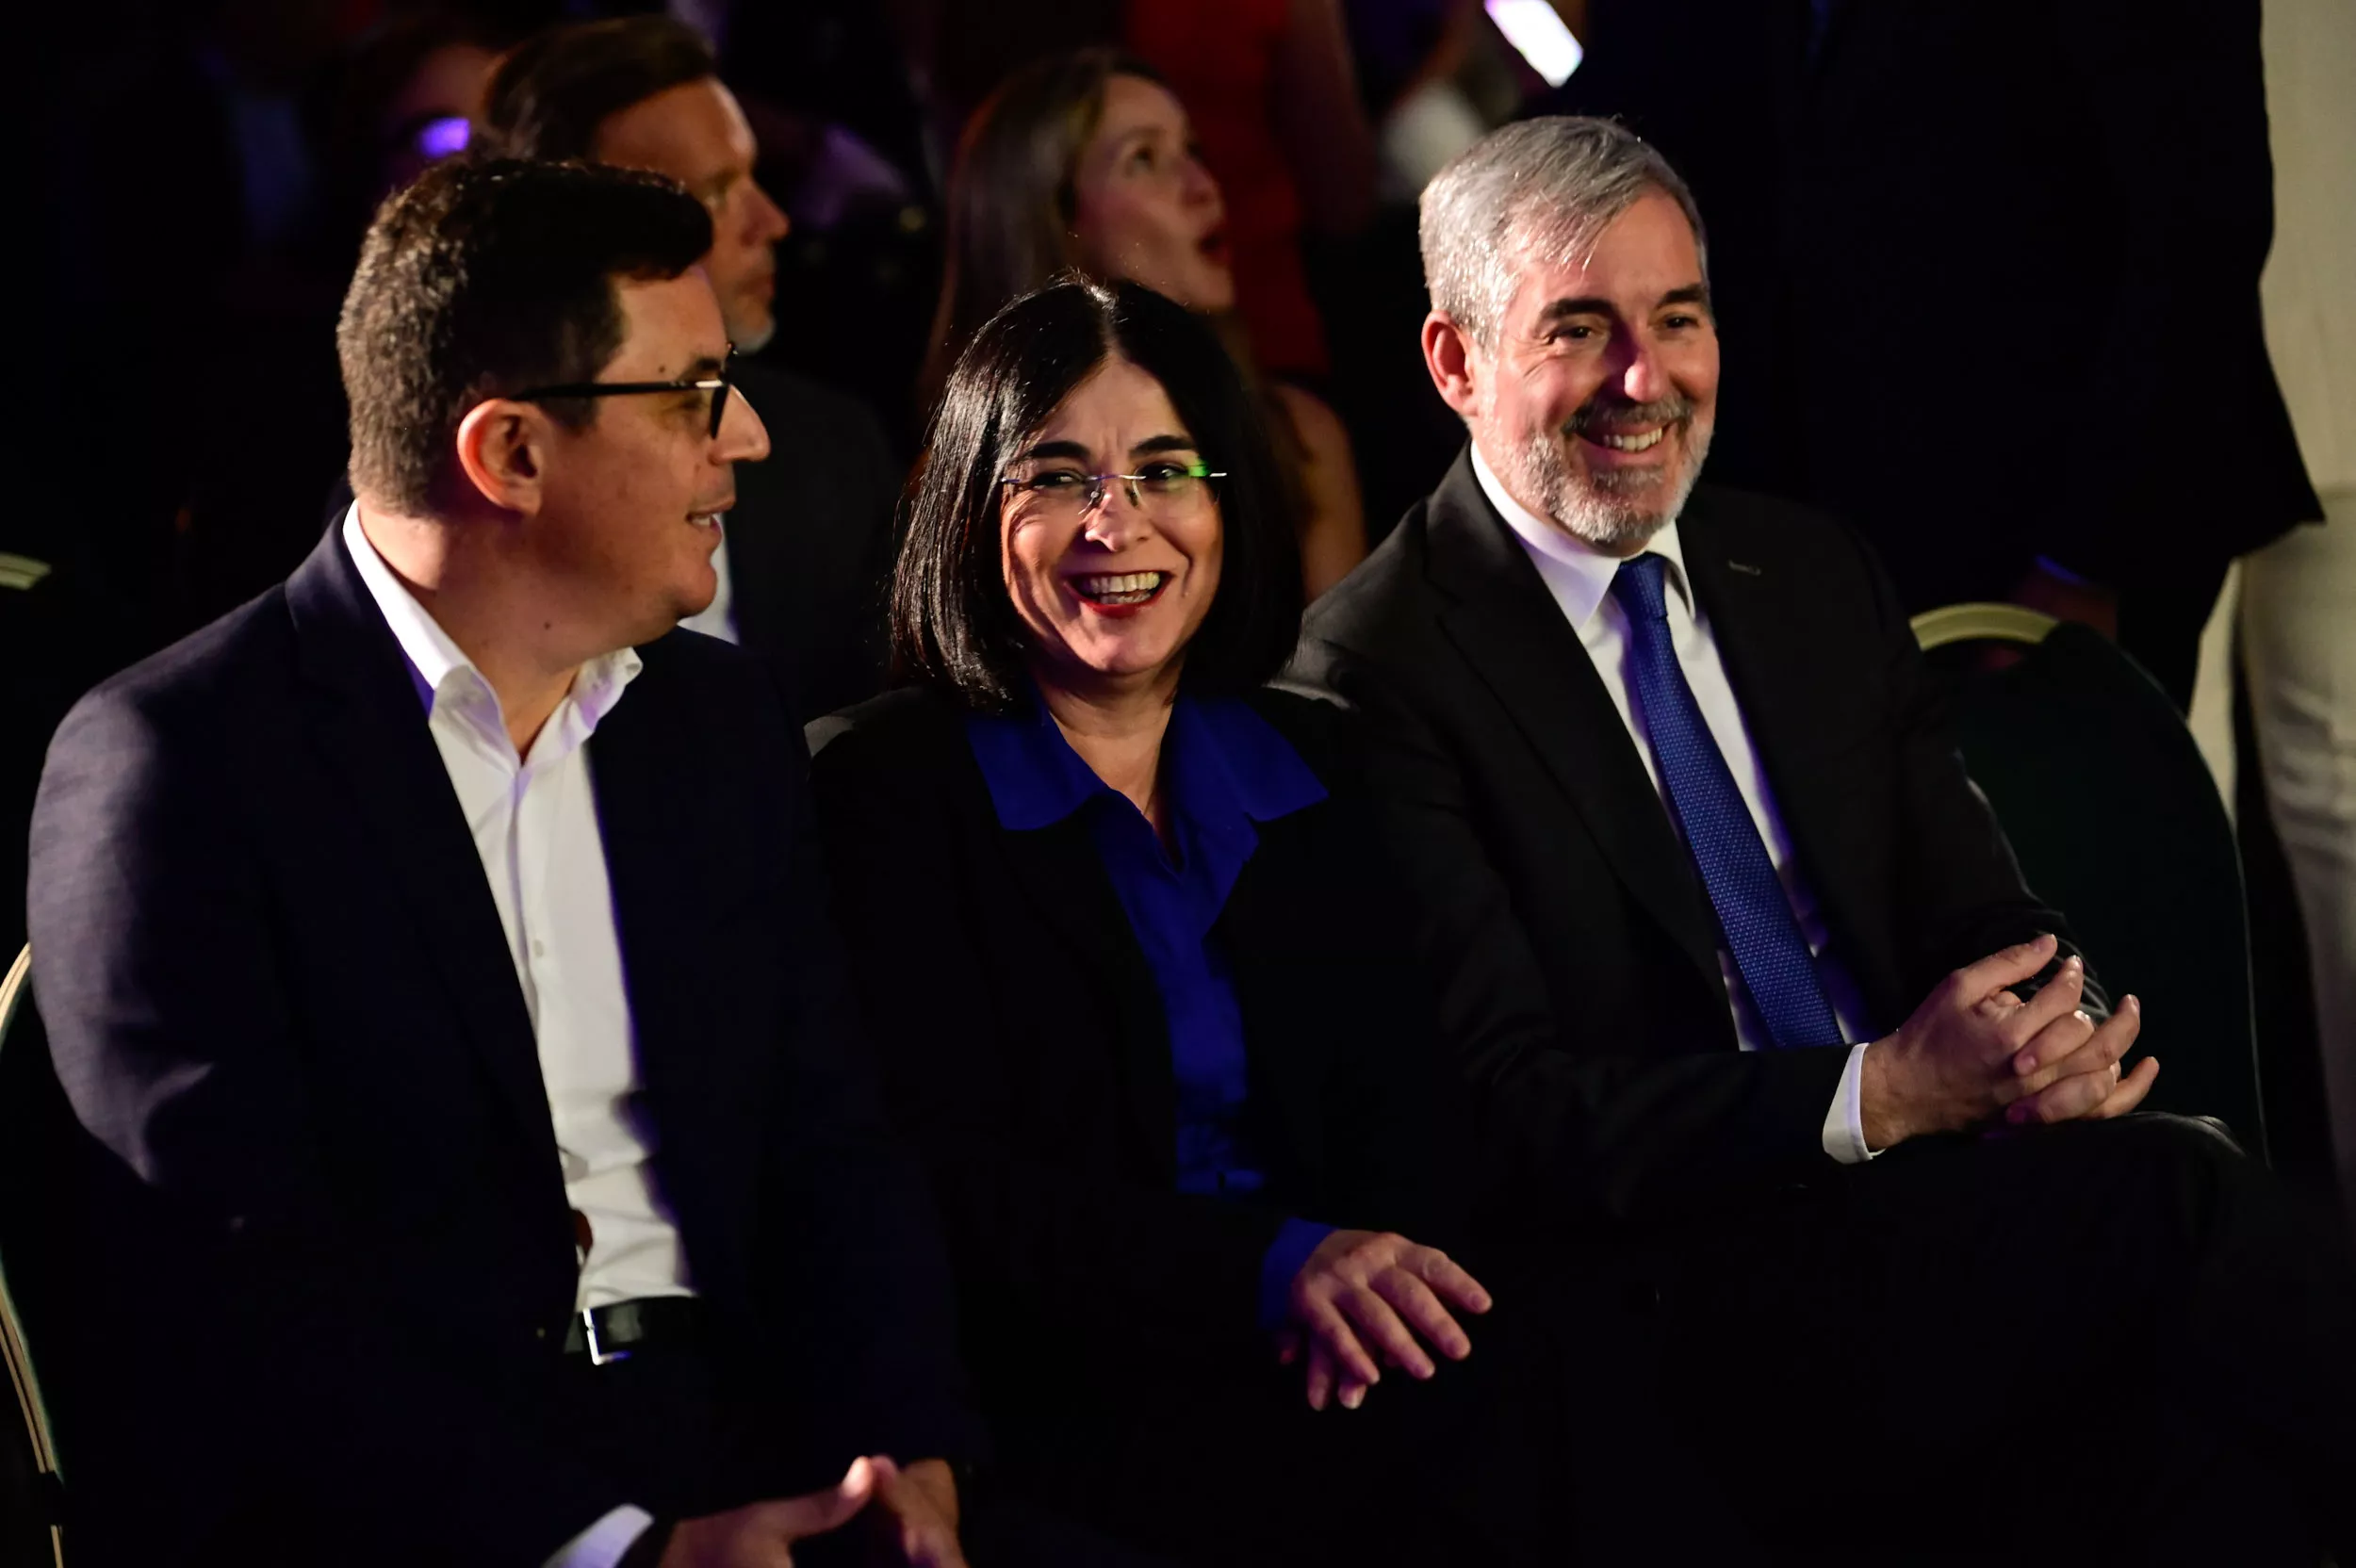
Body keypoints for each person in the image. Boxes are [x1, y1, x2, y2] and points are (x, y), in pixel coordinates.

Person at [1294, 117, 2356, 1560]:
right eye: (1582, 329)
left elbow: (1980, 910)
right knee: (2192, 1212)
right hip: (1672, 1283)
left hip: (1948, 1210)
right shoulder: (1372, 674)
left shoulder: (1802, 569)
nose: (1644, 380)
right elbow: (1509, 1116)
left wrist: (2054, 1039)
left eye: (1679, 318)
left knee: (2199, 1445)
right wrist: (1881, 1093)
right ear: (1456, 364)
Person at [25, 157, 976, 1568]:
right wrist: (622, 1552)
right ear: (509, 455)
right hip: (426, 1513)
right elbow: (238, 1302)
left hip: (757, 1444)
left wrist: (911, 1466)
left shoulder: (714, 729)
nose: (751, 439)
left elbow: (834, 1152)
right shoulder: (178, 766)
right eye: (696, 394)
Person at [809, 279, 1590, 1565]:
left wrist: (1370, 1290)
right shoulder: (882, 793)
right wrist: (1273, 1268)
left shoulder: (1320, 763)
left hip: (1337, 1375)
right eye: (1056, 477)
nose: (1117, 523)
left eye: (1166, 470)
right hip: (1070, 1409)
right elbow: (952, 1188)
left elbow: (1416, 1115)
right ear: (968, 509)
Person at [1546, 0, 2317, 712]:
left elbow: (2202, 228)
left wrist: (2085, 563)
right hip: (1826, 516)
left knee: (2061, 845)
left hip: (2049, 521)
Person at [477, 14, 903, 723]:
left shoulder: (837, 450)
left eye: (755, 179)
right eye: (714, 191)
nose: (771, 222)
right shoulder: (442, 506)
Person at [925, 50, 1367, 600]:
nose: (1203, 185)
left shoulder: (1297, 440)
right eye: (1144, 159)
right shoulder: (960, 472)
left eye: (1192, 150)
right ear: (1057, 218)